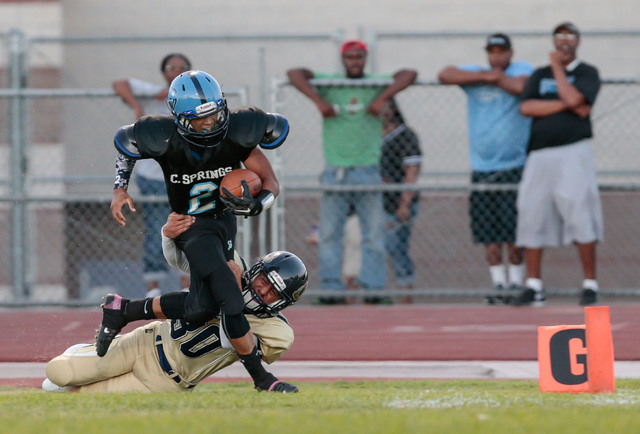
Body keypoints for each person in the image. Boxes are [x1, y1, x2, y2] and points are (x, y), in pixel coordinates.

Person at [104, 70, 295, 393]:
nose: (209, 125)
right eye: (198, 120)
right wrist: (120, 189)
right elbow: (125, 142)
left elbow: (271, 183)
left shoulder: (239, 130)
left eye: (214, 116)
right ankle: (262, 379)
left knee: (201, 308)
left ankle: (122, 310)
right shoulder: (161, 135)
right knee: (230, 299)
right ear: (178, 118)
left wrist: (257, 204)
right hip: (191, 225)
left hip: (224, 223)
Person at [43, 214, 308, 393]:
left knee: (73, 397)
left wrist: (232, 292)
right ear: (257, 269)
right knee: (58, 373)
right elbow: (181, 260)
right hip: (144, 341)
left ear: (282, 304)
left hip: (165, 380)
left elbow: (236, 335)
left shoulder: (278, 332)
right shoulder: (232, 263)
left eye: (273, 291)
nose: (262, 289)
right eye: (263, 279)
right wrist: (168, 236)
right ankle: (84, 351)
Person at [287, 39, 417, 304]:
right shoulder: (331, 84)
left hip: (368, 169)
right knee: (331, 234)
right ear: (343, 60)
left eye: (359, 57)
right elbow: (295, 74)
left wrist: (382, 98)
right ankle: (332, 291)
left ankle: (373, 290)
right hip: (336, 170)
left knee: (373, 234)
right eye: (350, 58)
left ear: (365, 59)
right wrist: (318, 102)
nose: (355, 62)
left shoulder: (373, 83)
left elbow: (410, 74)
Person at [437, 33, 534, 304]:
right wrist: (484, 76)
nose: (497, 57)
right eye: (492, 52)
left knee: (514, 231)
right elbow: (445, 74)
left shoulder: (521, 69)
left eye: (502, 51)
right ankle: (499, 285)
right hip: (481, 168)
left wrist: (496, 78)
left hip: (514, 167)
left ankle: (517, 283)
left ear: (510, 53)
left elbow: (521, 86)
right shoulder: (477, 73)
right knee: (488, 232)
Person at [514, 22, 602, 306]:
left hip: (573, 152)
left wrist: (560, 74)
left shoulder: (586, 72)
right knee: (531, 212)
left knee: (579, 211)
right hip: (539, 155)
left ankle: (589, 283)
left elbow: (578, 96)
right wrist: (568, 105)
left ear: (577, 41)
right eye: (559, 36)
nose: (564, 41)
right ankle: (533, 284)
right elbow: (527, 107)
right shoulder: (539, 74)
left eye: (569, 36)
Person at [112, 53, 193, 297]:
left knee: (187, 228)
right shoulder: (152, 93)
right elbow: (120, 83)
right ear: (163, 71)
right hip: (153, 176)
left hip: (183, 173)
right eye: (171, 67)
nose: (176, 71)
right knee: (159, 227)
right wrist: (137, 105)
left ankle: (187, 286)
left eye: (182, 68)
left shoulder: (191, 97)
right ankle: (154, 288)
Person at [380, 98, 422, 303]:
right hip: (372, 204)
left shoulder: (405, 135)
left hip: (395, 203)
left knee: (396, 246)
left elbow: (412, 171)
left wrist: (404, 204)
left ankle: (405, 293)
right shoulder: (367, 136)